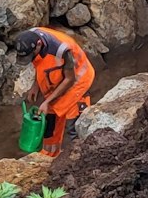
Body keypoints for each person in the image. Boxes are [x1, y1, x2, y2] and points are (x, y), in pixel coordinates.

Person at [14, 28, 94, 157]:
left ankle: (82, 158)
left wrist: (47, 101)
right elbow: (39, 63)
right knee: (49, 124)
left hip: (77, 83)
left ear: (39, 44)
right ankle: (49, 156)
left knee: (74, 127)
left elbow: (70, 79)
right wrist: (36, 86)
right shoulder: (30, 38)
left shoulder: (62, 49)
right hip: (55, 82)